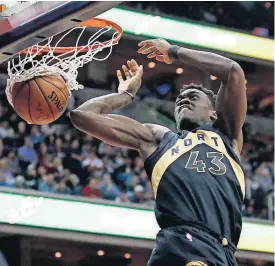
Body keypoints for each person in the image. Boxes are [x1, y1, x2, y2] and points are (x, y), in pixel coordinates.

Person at [70, 38, 247, 266]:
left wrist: (173, 51)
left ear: (214, 114)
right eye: (179, 100)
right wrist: (125, 96)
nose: (183, 100)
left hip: (225, 254)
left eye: (192, 97)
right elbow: (82, 116)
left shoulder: (227, 137)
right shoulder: (159, 139)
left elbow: (233, 71)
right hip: (185, 244)